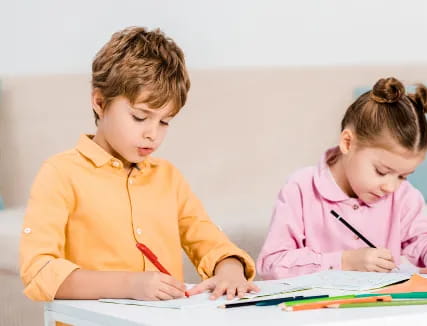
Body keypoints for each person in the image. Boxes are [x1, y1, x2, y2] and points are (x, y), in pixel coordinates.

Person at [19, 26, 258, 302]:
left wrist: (230, 269)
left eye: (165, 121)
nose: (152, 134)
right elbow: (39, 271)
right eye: (139, 116)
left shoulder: (168, 178)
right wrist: (130, 285)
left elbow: (208, 240)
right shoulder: (60, 174)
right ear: (99, 101)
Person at [257, 77, 427, 281]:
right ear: (348, 142)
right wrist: (344, 261)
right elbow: (272, 264)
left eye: (403, 176)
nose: (391, 186)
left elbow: (424, 238)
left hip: (381, 311)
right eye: (382, 171)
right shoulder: (301, 188)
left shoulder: (403, 196)